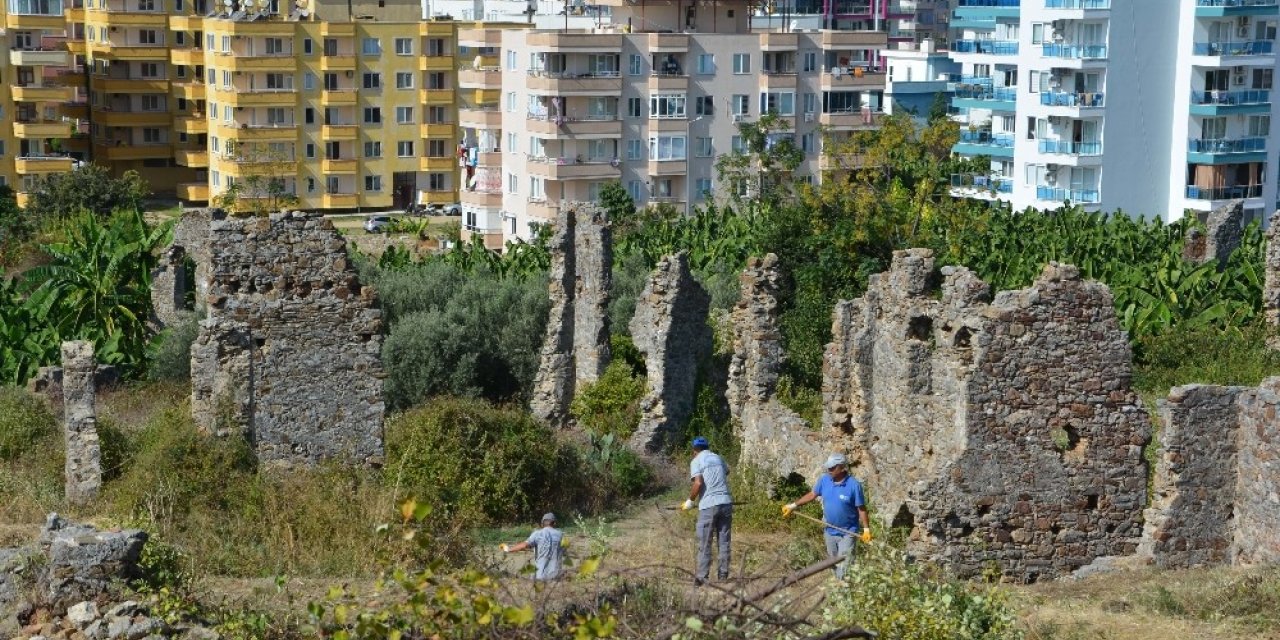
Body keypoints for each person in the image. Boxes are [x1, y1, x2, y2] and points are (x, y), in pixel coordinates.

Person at [781, 453, 871, 580]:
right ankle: (837, 585)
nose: (829, 470)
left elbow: (861, 509)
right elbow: (812, 494)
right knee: (832, 562)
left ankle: (844, 589)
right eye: (828, 467)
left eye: (832, 467)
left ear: (841, 467)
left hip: (848, 532)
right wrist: (793, 505)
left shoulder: (854, 485)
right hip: (829, 530)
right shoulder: (824, 480)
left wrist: (866, 529)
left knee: (845, 564)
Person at [682, 436, 732, 586]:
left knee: (705, 542)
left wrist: (690, 501)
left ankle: (702, 578)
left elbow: (698, 482)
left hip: (708, 506)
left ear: (694, 450)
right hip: (726, 503)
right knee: (724, 541)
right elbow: (726, 472)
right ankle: (723, 575)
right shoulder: (718, 457)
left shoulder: (696, 461)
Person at [500, 512, 565, 581]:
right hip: (556, 577)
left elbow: (524, 545)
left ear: (542, 523)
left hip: (541, 576)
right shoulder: (560, 535)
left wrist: (508, 549)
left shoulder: (538, 533)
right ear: (554, 523)